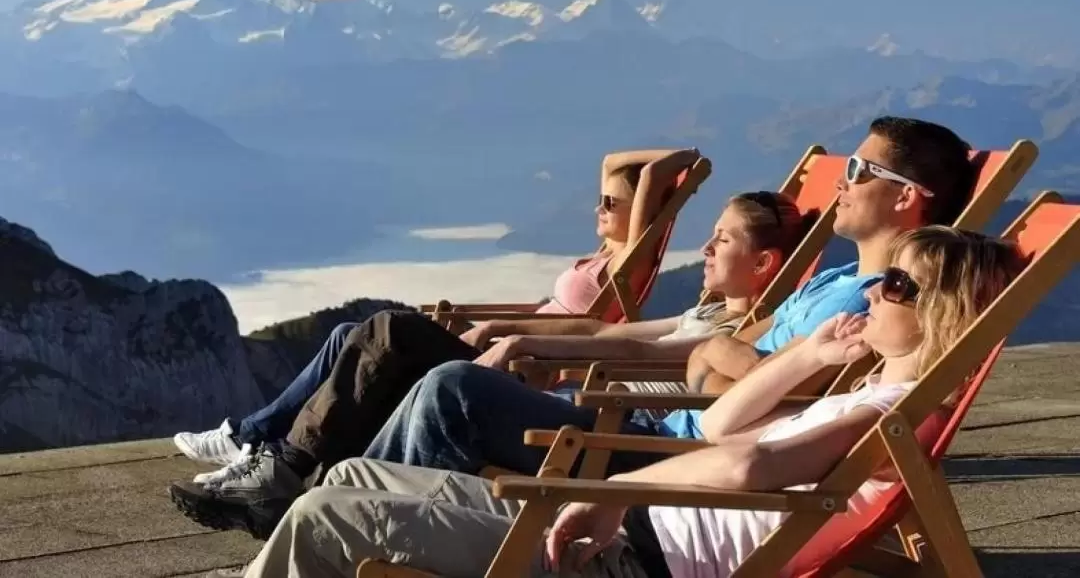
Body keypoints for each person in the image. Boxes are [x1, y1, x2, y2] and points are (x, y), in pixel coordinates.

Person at [212, 226, 1027, 578]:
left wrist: (606, 498)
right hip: (628, 521)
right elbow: (718, 422)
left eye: (896, 283)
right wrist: (811, 354)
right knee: (348, 479)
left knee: (325, 518)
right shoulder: (872, 387)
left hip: (626, 554)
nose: (874, 289)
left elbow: (747, 462)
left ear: (939, 313)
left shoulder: (888, 414)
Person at [338, 116, 976, 482]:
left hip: (669, 449)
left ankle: (355, 508)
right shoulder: (835, 282)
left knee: (452, 389)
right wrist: (726, 352)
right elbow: (725, 352)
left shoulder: (890, 303)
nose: (844, 180)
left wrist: (729, 352)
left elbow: (786, 393)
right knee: (439, 385)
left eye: (863, 173)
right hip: (660, 420)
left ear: (904, 198)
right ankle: (348, 499)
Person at [170, 190, 815, 540]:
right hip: (579, 398)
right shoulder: (706, 311)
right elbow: (606, 328)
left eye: (723, 239)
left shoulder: (737, 327)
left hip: (620, 431)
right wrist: (508, 330)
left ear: (763, 265)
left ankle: (295, 475)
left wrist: (530, 350)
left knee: (397, 341)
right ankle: (270, 451)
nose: (705, 246)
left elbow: (636, 352)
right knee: (353, 335)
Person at [172, 148, 699, 470]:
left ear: (640, 214)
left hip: (518, 366)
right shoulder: (603, 254)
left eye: (611, 203)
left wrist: (688, 161)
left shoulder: (630, 260)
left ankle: (262, 448)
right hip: (508, 348)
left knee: (388, 333)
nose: (598, 207)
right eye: (600, 200)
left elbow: (588, 325)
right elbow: (613, 164)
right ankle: (253, 438)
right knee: (345, 336)